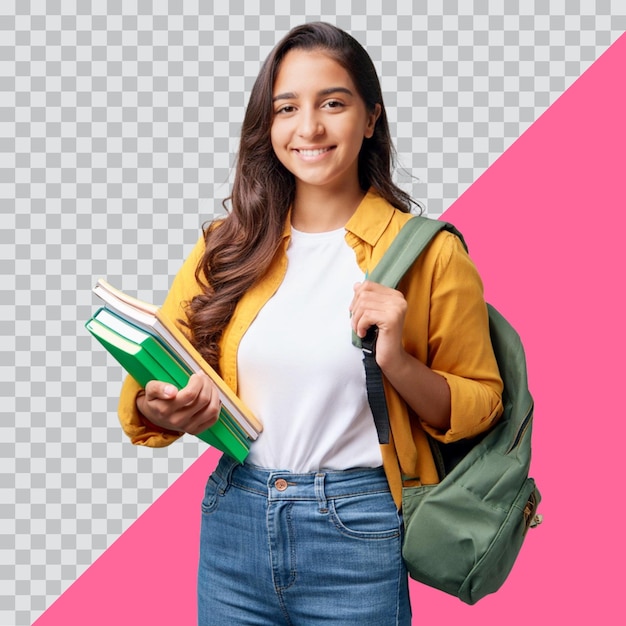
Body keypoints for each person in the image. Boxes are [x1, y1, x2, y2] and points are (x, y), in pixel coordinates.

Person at [117, 21, 503, 625]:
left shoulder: (429, 255)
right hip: (234, 520)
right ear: (267, 126)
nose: (310, 128)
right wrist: (159, 408)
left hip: (358, 529)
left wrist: (396, 361)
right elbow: (157, 368)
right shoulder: (227, 247)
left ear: (370, 118)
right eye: (287, 107)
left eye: (333, 103)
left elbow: (483, 402)